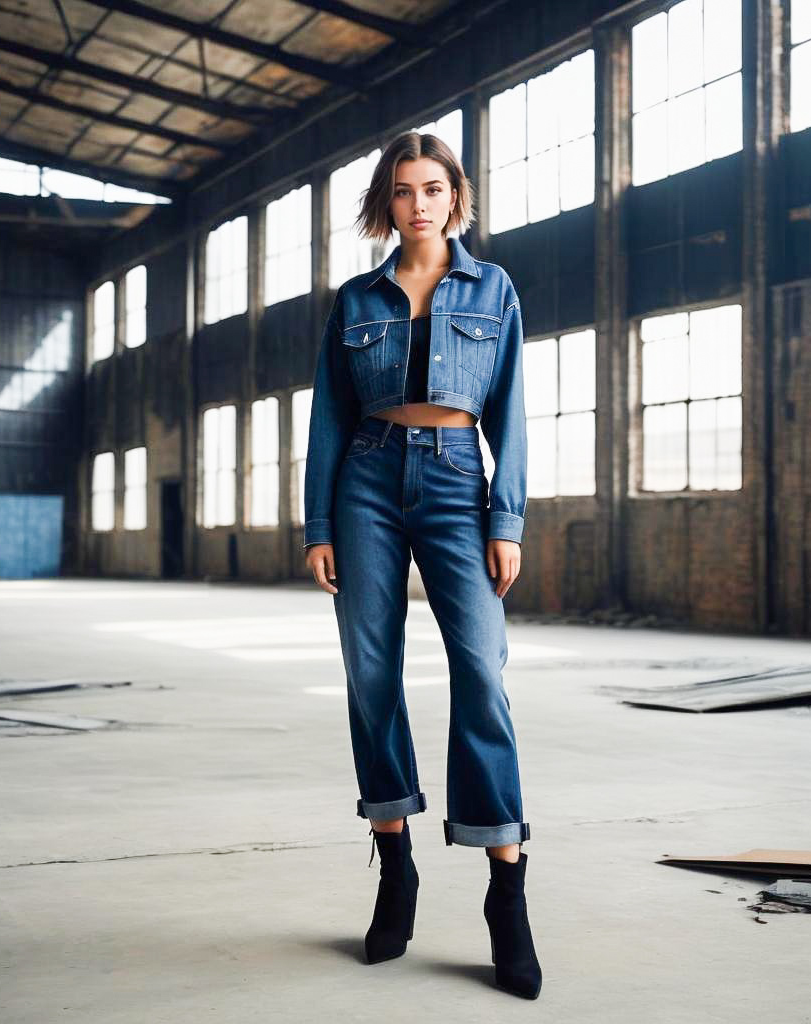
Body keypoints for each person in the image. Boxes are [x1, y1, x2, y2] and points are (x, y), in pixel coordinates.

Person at [302, 131, 541, 1000]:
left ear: (455, 196)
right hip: (365, 476)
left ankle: (506, 893)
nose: (418, 204)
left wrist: (506, 518)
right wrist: (319, 522)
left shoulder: (493, 288)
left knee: (481, 668)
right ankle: (395, 865)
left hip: (453, 482)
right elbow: (329, 413)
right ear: (386, 203)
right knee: (372, 676)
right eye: (403, 191)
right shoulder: (356, 298)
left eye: (433, 188)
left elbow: (511, 409)